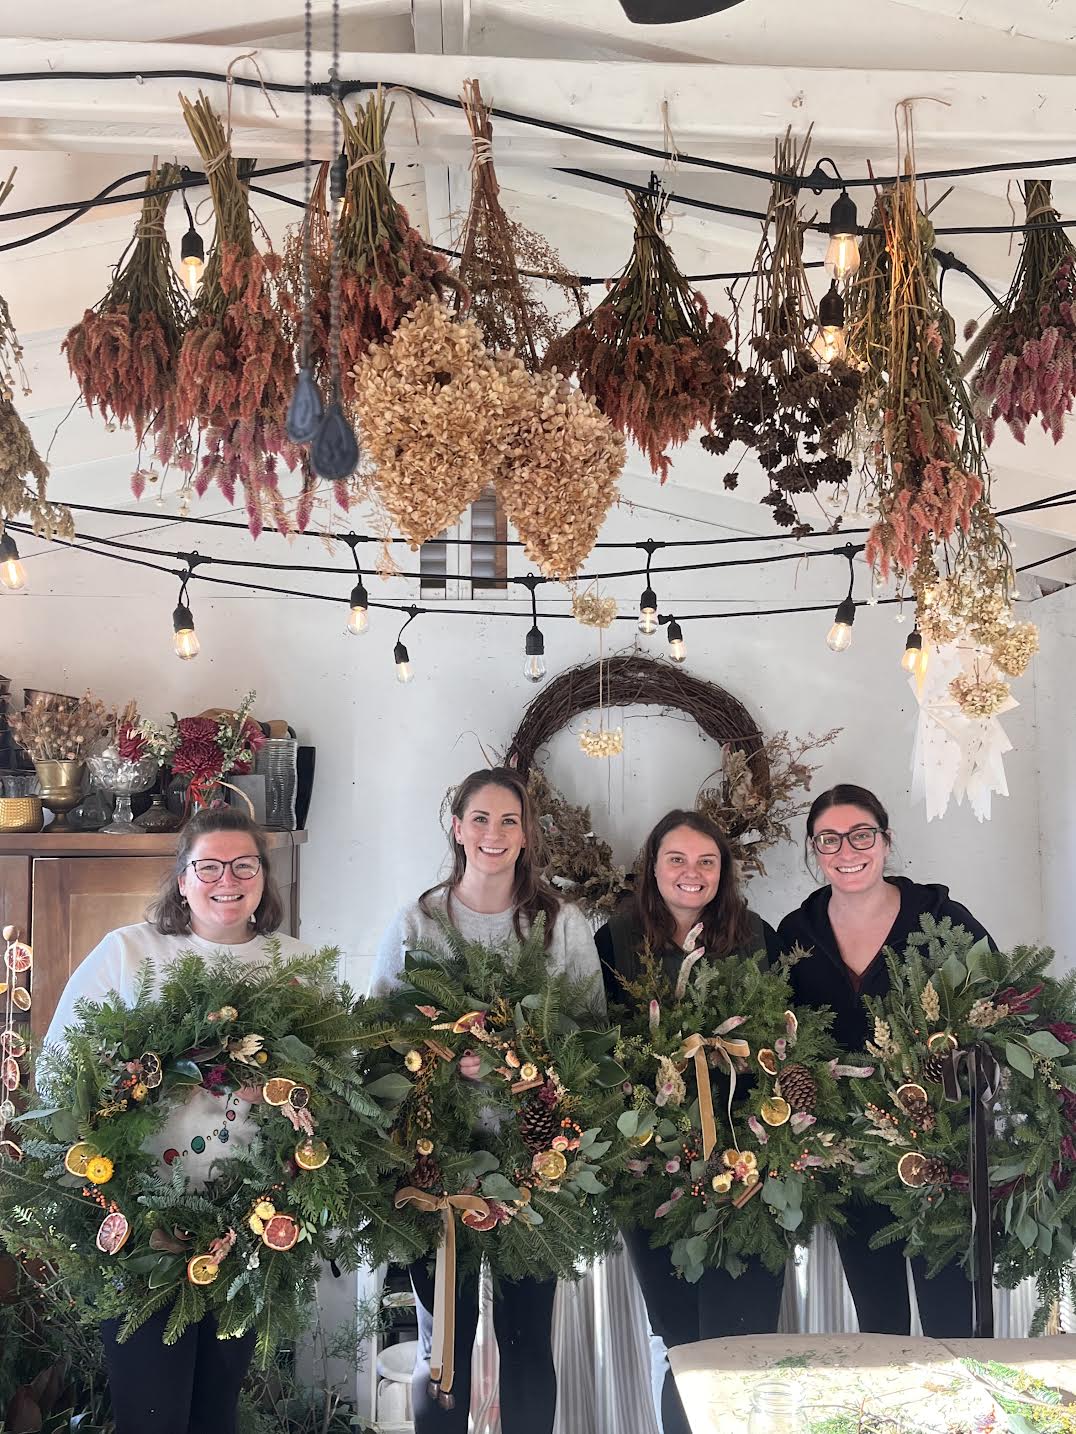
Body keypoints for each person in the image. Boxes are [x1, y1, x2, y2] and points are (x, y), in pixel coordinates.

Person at [43, 807, 310, 1434]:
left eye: (244, 865)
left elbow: (329, 1083)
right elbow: (62, 1066)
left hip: (247, 1226)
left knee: (218, 1409)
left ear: (264, 879)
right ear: (182, 879)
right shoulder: (132, 953)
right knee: (154, 1412)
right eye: (209, 866)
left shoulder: (294, 965)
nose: (228, 879)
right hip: (143, 1223)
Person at [371, 767, 603, 1434]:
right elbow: (378, 1034)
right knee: (440, 1345)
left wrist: (514, 1063)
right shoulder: (419, 919)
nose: (493, 833)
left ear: (527, 833)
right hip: (435, 1164)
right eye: (480, 818)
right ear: (457, 827)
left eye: (508, 821)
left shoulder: (560, 926)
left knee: (529, 1342)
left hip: (535, 1166)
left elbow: (591, 1038)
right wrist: (441, 1055)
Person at [777, 782, 994, 1338]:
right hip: (849, 1158)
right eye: (829, 840)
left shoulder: (939, 917)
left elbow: (997, 1012)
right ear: (814, 850)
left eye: (861, 835)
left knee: (954, 1325)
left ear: (886, 841)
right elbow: (779, 1036)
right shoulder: (796, 933)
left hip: (939, 1150)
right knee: (880, 1327)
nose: (847, 851)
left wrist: (943, 1096)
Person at [595, 809, 783, 1434]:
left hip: (744, 1157)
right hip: (652, 1161)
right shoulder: (615, 939)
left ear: (724, 871)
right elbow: (597, 1045)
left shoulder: (755, 935)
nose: (692, 872)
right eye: (676, 858)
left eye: (707, 861)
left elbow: (781, 1039)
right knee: (678, 1333)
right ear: (652, 866)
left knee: (747, 1330)